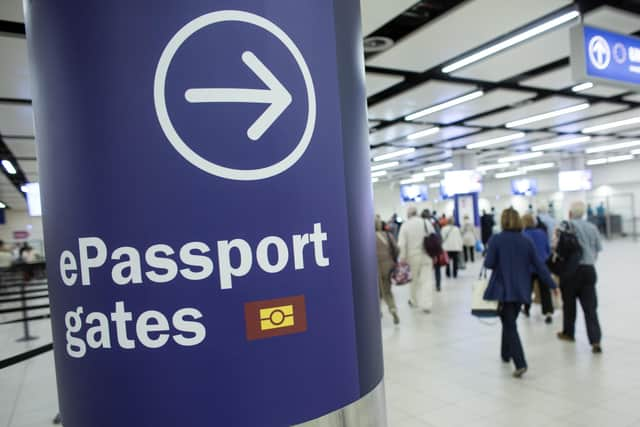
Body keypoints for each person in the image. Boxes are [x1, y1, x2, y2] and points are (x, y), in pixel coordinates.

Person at [484, 208, 557, 378]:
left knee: (509, 324)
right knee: (509, 320)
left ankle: (520, 363)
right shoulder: (526, 241)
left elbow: (489, 264)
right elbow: (539, 265)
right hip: (522, 289)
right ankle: (505, 353)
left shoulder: (496, 240)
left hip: (502, 289)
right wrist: (552, 284)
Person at [557, 201, 603, 354]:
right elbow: (598, 249)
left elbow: (555, 246)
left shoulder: (565, 225)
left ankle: (569, 333)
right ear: (583, 213)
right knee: (590, 308)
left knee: (569, 305)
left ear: (570, 213)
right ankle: (595, 340)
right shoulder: (592, 227)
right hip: (589, 270)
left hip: (570, 271)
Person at [398, 206, 435, 313]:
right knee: (427, 280)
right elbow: (433, 236)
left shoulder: (405, 225)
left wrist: (402, 258)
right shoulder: (426, 223)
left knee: (413, 281)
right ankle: (427, 305)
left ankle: (414, 301)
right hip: (427, 255)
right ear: (417, 212)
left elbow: (402, 244)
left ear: (408, 214)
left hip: (412, 257)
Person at [521, 214, 553, 323]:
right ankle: (548, 313)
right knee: (545, 290)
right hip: (542, 265)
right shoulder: (542, 233)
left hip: (528, 268)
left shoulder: (523, 235)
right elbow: (548, 250)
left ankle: (526, 309)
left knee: (527, 289)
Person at [374, 217, 400, 325]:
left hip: (376, 269)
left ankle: (377, 312)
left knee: (377, 292)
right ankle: (393, 309)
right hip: (388, 266)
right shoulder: (388, 235)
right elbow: (397, 249)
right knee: (387, 291)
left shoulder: (367, 237)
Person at [422, 209, 442, 292]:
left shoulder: (421, 224)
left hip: (426, 249)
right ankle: (438, 285)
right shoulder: (435, 222)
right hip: (435, 248)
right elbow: (439, 236)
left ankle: (427, 286)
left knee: (427, 268)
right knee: (437, 268)